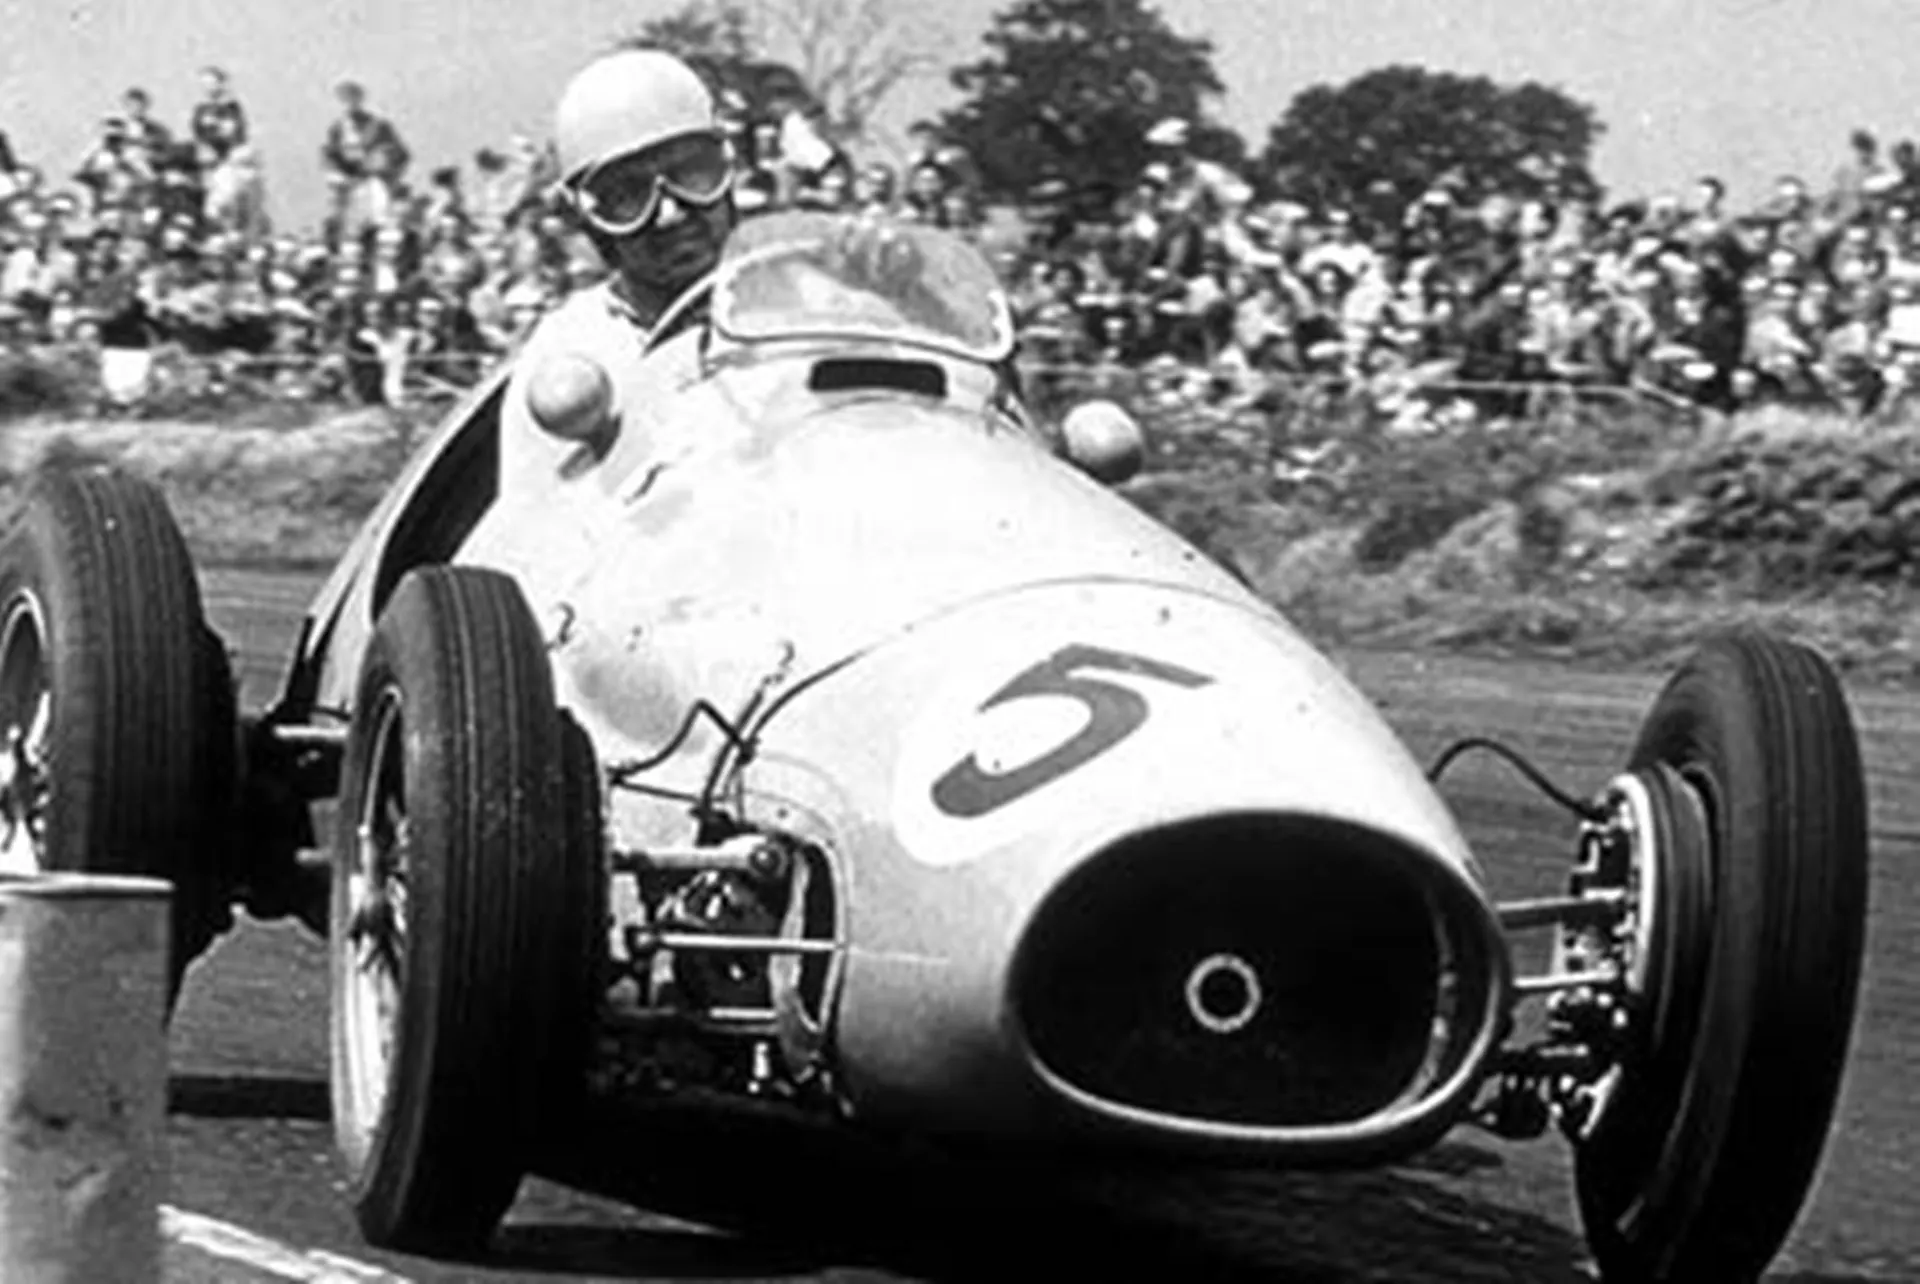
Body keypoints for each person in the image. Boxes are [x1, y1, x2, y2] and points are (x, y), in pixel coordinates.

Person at [475, 46, 740, 533]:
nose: (671, 213)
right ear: (586, 218)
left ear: (728, 171)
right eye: (626, 195)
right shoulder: (569, 356)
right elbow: (542, 549)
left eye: (693, 173)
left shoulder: (811, 304)